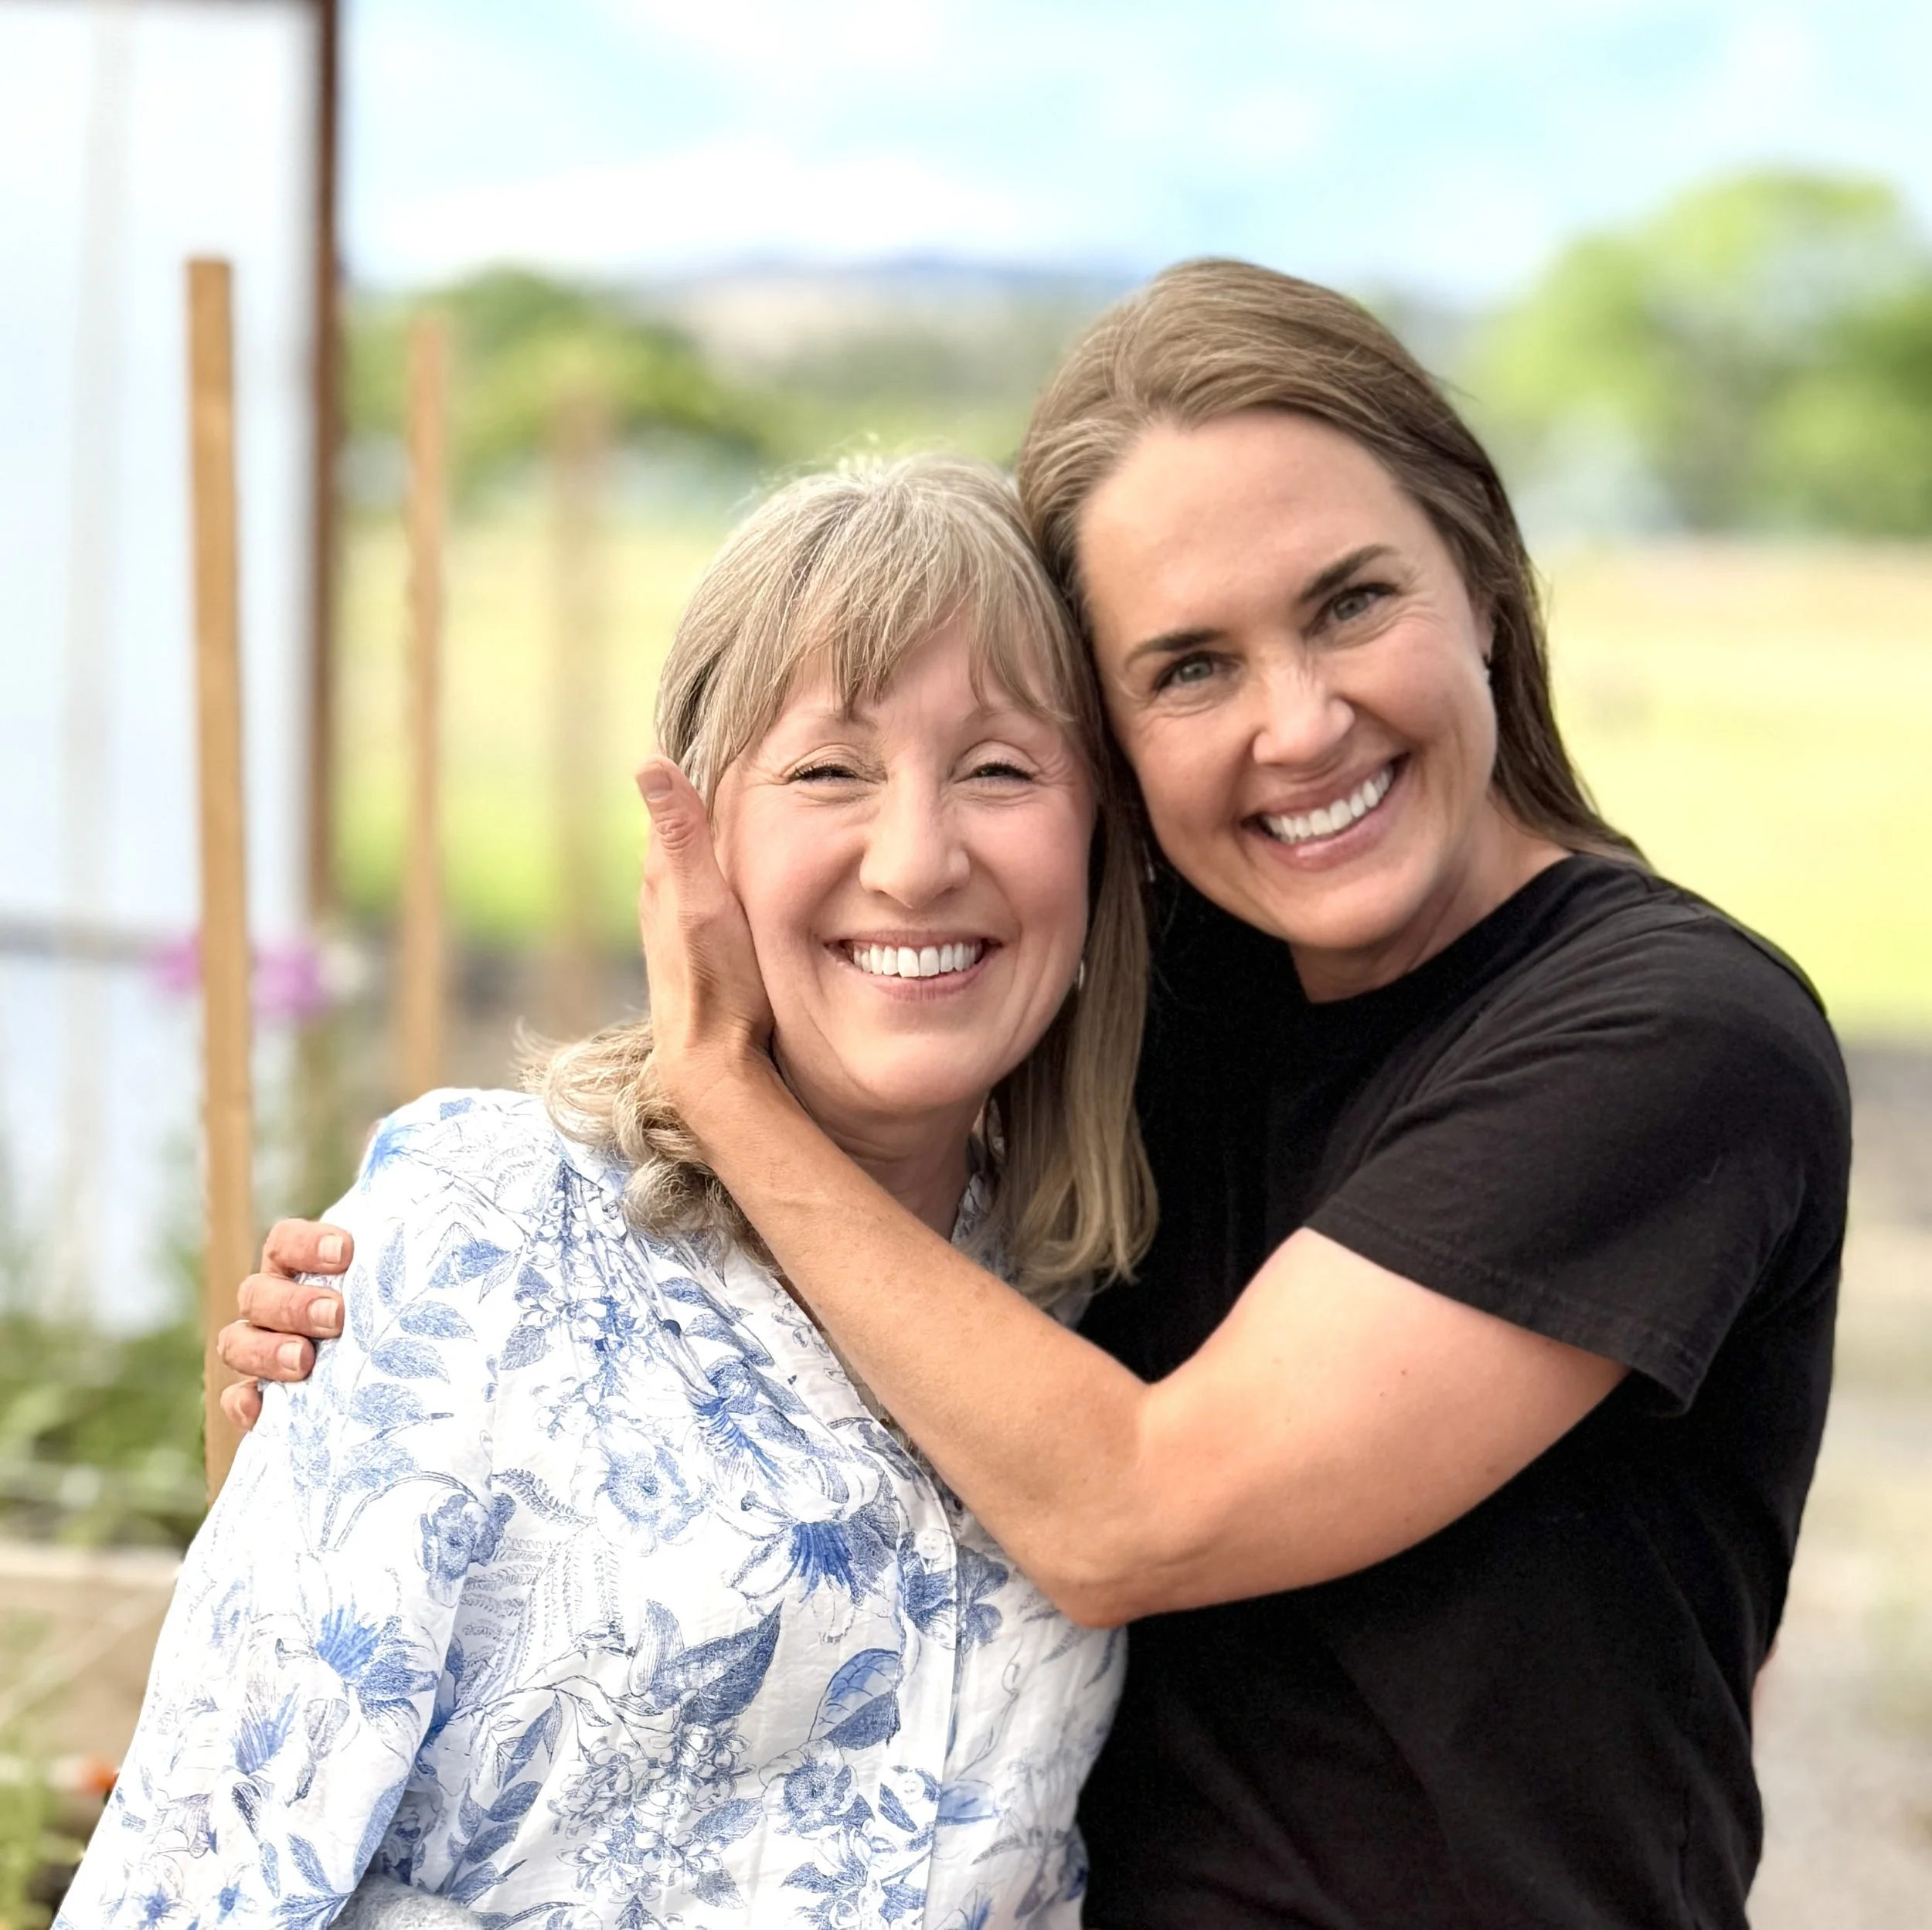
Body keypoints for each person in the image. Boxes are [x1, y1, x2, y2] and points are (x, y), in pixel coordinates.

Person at [223, 261, 1851, 1930]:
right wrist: (373, 1380)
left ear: (1484, 584)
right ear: (1117, 751)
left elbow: (1125, 1510)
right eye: (1188, 667)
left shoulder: (1664, 1041)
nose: (1296, 722)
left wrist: (718, 1085)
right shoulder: (1162, 1001)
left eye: (1351, 602)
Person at [60, 455, 1155, 1929]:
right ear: (691, 846)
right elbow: (205, 1862)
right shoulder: (484, 1232)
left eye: (1003, 767)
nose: (917, 857)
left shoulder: (1109, 1293)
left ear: (1101, 842)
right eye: (830, 768)